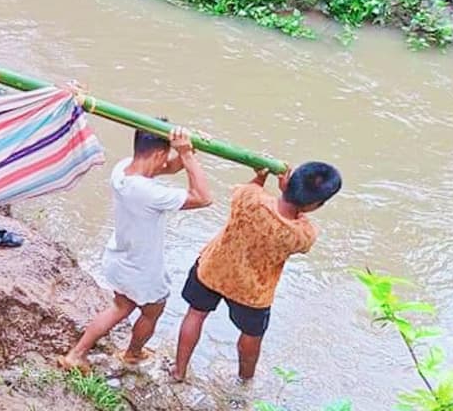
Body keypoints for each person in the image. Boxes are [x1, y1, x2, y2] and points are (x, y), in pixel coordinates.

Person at [58, 125, 212, 372]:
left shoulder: (124, 168)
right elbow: (203, 197)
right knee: (153, 311)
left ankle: (76, 354)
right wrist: (188, 156)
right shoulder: (150, 193)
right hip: (142, 269)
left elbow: (169, 167)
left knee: (120, 307)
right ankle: (133, 353)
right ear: (158, 155)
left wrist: (189, 152)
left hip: (120, 259)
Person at [172, 161, 342, 382]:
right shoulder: (303, 233)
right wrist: (292, 199)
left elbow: (248, 190)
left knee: (195, 314)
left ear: (289, 181)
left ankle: (179, 371)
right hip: (252, 290)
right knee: (252, 335)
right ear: (315, 204)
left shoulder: (250, 198)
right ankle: (244, 382)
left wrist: (260, 178)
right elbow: (300, 236)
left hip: (214, 269)